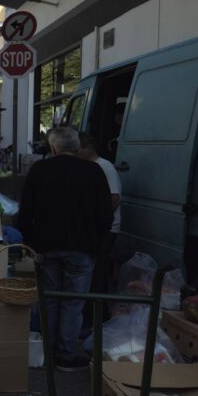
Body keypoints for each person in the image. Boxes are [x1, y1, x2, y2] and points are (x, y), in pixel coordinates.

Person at [18, 126, 112, 372]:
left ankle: (46, 351)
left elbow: (25, 211)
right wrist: (97, 242)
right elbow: (105, 213)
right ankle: (66, 354)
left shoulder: (40, 170)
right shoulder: (93, 171)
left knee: (48, 299)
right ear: (76, 146)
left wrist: (31, 240)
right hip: (82, 247)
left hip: (47, 246)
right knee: (73, 302)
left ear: (53, 147)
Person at [78, 132, 122, 317]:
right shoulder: (90, 166)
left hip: (106, 229)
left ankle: (98, 315)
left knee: (98, 272)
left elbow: (114, 198)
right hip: (96, 228)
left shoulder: (105, 167)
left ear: (86, 147)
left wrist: (98, 222)